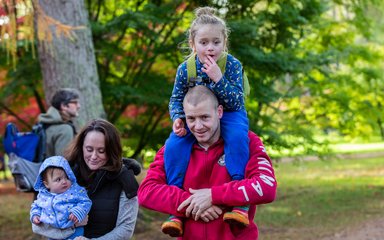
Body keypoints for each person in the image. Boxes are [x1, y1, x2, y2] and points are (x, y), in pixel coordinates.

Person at [138, 85, 277, 240]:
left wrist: (213, 195)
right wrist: (192, 203)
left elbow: (267, 186)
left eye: (205, 117)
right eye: (191, 118)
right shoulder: (172, 149)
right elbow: (146, 192)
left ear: (219, 112)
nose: (197, 126)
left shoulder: (246, 141)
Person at [163, 6, 250, 236]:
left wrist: (218, 79)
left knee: (239, 137)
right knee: (173, 145)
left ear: (224, 43)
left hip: (230, 112)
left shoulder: (231, 65)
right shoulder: (185, 69)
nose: (210, 48)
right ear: (193, 44)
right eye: (203, 42)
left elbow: (237, 100)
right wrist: (178, 118)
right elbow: (176, 99)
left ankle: (240, 202)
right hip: (197, 117)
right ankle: (177, 208)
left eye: (215, 42)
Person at [64, 119, 140, 239]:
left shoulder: (126, 180)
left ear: (111, 151)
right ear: (81, 147)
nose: (94, 156)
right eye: (89, 149)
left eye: (101, 151)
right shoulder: (66, 173)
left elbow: (126, 228)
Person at [30, 155, 92, 239]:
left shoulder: (75, 191)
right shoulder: (43, 196)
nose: (64, 181)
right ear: (46, 184)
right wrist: (35, 215)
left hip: (73, 230)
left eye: (66, 177)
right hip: (53, 233)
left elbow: (86, 201)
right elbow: (36, 206)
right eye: (58, 179)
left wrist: (77, 211)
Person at [38, 88, 81, 157]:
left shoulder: (45, 124)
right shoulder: (64, 129)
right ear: (64, 106)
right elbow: (63, 161)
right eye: (75, 102)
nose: (79, 106)